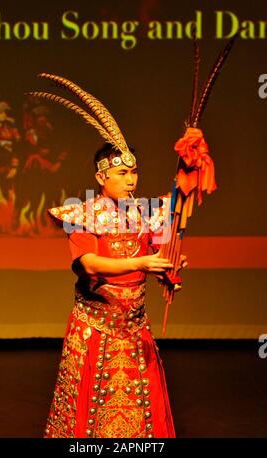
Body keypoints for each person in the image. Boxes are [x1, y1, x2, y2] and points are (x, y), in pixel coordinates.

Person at [44, 143, 187, 438]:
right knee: (84, 413)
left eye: (133, 172)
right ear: (101, 177)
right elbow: (90, 264)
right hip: (95, 328)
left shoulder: (149, 214)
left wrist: (169, 266)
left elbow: (160, 254)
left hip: (134, 328)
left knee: (142, 410)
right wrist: (144, 262)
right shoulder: (82, 215)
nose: (130, 180)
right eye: (121, 173)